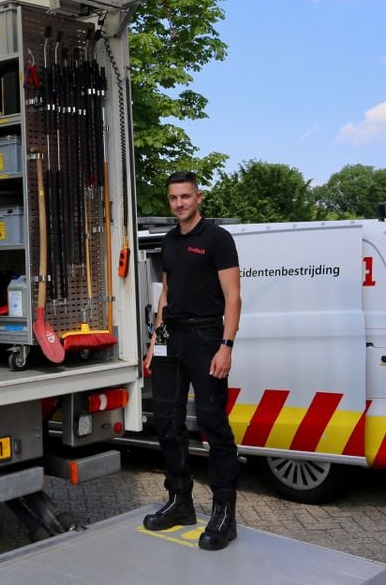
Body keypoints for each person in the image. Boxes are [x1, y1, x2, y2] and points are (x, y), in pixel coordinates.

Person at [143, 171, 242, 551]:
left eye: (185, 196)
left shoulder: (218, 239)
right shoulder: (168, 241)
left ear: (198, 198)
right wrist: (154, 341)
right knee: (166, 422)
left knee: (213, 424)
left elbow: (232, 297)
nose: (179, 203)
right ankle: (180, 502)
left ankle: (223, 516)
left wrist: (226, 345)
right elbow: (165, 293)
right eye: (173, 198)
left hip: (206, 338)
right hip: (172, 338)